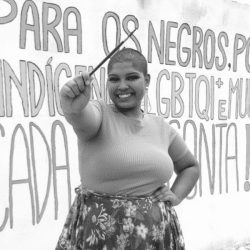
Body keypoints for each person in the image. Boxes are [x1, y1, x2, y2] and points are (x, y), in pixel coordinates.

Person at [55, 48, 199, 250]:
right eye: (114, 79)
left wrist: (176, 196)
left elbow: (190, 167)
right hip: (100, 236)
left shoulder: (161, 127)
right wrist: (72, 107)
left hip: (154, 236)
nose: (122, 86)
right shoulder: (99, 113)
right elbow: (80, 118)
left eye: (131, 77)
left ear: (146, 80)